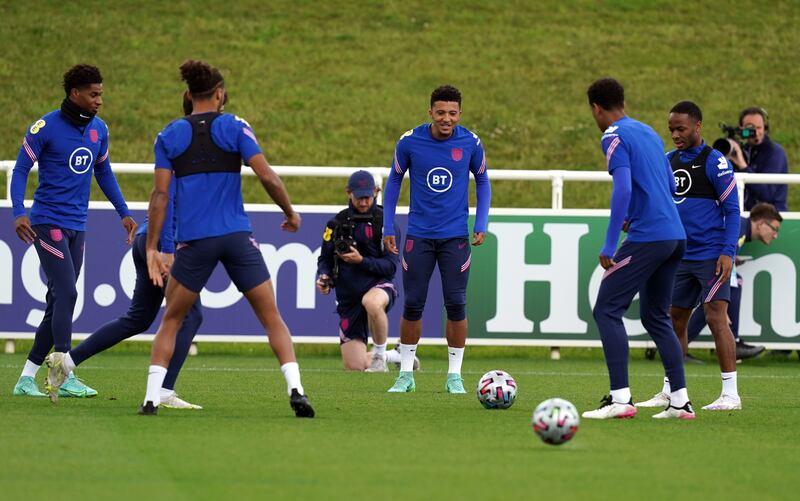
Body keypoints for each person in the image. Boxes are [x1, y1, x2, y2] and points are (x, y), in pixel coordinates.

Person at [45, 94, 207, 409]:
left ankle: (66, 363)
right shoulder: (190, 149)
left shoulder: (180, 142)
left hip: (148, 237)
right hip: (161, 242)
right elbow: (168, 199)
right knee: (191, 315)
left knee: (138, 319)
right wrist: (168, 249)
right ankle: (163, 391)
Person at [10, 64, 137, 400]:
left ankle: (26, 378)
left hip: (77, 226)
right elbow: (21, 169)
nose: (99, 101)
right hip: (46, 223)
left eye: (101, 94)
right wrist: (19, 212)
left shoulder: (99, 130)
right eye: (93, 94)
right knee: (67, 293)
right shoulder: (46, 126)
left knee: (57, 302)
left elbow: (104, 172)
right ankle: (64, 375)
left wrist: (124, 212)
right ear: (74, 93)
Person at [582, 78, 694, 420]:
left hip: (649, 237)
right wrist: (637, 216)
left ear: (596, 109)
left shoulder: (612, 135)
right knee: (656, 316)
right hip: (675, 235)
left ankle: (620, 400)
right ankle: (679, 402)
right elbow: (662, 183)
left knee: (606, 309)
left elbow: (623, 188)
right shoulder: (647, 132)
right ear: (623, 102)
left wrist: (610, 241)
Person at [382, 85, 491, 394]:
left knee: (456, 304)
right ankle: (405, 374)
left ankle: (454, 376)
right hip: (419, 236)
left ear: (460, 114)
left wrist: (480, 221)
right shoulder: (410, 141)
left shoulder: (470, 142)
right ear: (429, 111)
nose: (446, 119)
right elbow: (393, 180)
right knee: (413, 304)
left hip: (455, 238)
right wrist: (387, 226)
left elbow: (482, 180)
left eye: (452, 113)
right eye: (440, 112)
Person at [637, 101, 741, 412]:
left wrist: (727, 251)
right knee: (674, 320)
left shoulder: (715, 163)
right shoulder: (668, 160)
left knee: (715, 317)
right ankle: (671, 391)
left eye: (680, 129)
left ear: (697, 127)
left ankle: (731, 395)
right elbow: (657, 200)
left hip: (711, 256)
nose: (675, 135)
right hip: (679, 255)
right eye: (671, 129)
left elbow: (733, 211)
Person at [316, 170, 413, 372]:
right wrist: (324, 276)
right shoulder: (335, 223)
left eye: (367, 197)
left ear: (376, 192)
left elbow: (390, 266)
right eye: (358, 197)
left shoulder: (387, 225)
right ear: (348, 193)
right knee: (355, 366)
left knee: (371, 302)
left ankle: (379, 358)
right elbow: (324, 258)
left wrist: (361, 261)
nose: (362, 202)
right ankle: (394, 355)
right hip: (348, 297)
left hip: (379, 286)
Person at [686, 203, 783, 358]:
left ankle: (679, 345)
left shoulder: (741, 228)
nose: (775, 234)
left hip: (693, 259)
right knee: (731, 286)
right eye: (775, 229)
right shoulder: (740, 229)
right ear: (761, 224)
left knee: (722, 294)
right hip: (691, 262)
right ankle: (733, 341)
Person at [727, 107, 788, 211]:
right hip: (746, 215)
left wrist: (742, 165)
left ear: (765, 128)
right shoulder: (742, 151)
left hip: (771, 217)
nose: (755, 132)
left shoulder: (775, 152)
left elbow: (767, 194)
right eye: (750, 128)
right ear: (741, 130)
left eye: (759, 127)